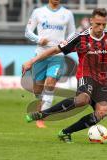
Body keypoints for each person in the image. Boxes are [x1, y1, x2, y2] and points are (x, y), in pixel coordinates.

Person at [23, 8, 107, 143]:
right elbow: (55, 50)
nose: (101, 27)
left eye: (103, 24)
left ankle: (65, 132)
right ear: (91, 21)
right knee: (82, 100)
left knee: (102, 112)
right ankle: (42, 114)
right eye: (98, 24)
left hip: (102, 81)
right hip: (86, 76)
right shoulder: (80, 38)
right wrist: (32, 61)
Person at [25, 0, 75, 128]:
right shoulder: (38, 12)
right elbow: (28, 32)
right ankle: (42, 102)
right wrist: (39, 39)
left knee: (51, 81)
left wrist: (66, 42)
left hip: (57, 55)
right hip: (40, 54)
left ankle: (42, 116)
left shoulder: (67, 14)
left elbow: (72, 33)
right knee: (37, 89)